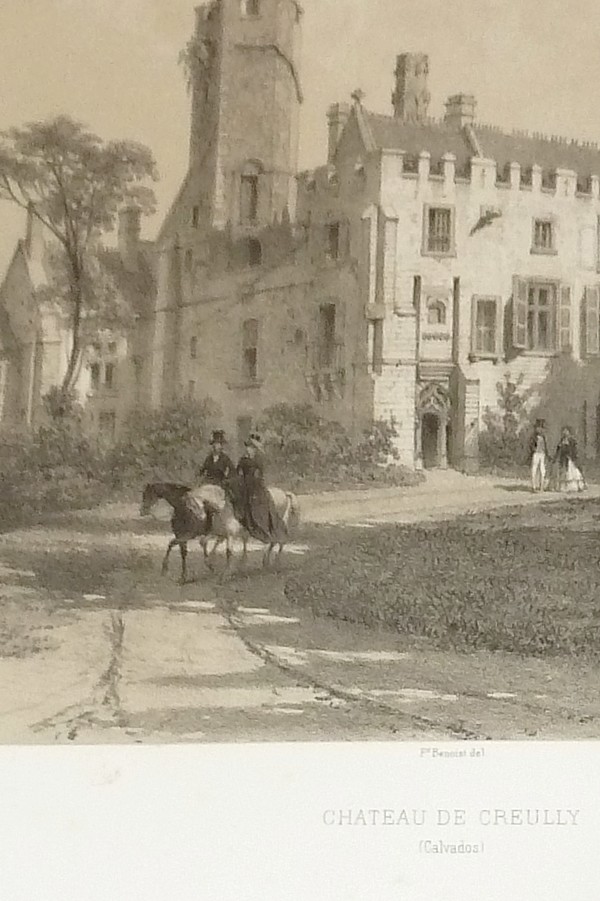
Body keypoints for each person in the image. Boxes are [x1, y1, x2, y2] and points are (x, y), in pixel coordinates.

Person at [234, 432, 288, 544]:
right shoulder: (243, 459)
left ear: (255, 448)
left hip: (256, 486)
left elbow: (260, 474)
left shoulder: (258, 459)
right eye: (248, 447)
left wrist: (253, 482)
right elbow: (237, 472)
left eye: (251, 447)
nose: (248, 449)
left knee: (260, 503)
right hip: (244, 485)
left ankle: (264, 528)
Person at [554, 426, 586, 493]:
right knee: (564, 472)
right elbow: (559, 449)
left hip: (571, 458)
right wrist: (556, 457)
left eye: (566, 431)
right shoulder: (562, 440)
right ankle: (564, 487)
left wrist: (572, 455)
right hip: (564, 458)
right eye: (564, 431)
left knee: (573, 472)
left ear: (569, 432)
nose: (565, 432)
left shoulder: (572, 440)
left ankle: (578, 486)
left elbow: (574, 449)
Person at [528, 419, 549, 493]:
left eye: (542, 428)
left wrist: (546, 453)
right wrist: (533, 449)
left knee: (542, 470)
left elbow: (545, 446)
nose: (540, 430)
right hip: (536, 454)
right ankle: (533, 486)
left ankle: (541, 486)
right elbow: (531, 445)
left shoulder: (543, 437)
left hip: (542, 454)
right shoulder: (534, 437)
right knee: (534, 469)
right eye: (539, 428)